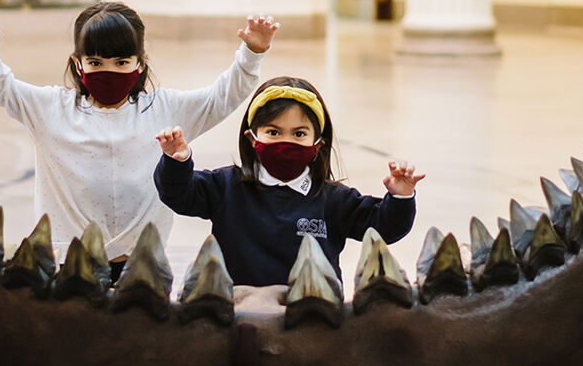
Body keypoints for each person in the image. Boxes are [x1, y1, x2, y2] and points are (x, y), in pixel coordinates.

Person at [0, 0, 278, 280]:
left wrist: (252, 51)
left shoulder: (166, 108)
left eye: (122, 62)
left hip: (142, 265)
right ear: (77, 64)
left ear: (141, 62)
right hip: (69, 262)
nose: (108, 71)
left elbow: (222, 97)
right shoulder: (50, 108)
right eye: (95, 63)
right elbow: (1, 86)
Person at [153, 76, 424, 287]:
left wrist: (401, 197)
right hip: (240, 316)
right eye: (273, 132)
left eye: (299, 133)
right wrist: (177, 162)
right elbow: (179, 195)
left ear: (317, 144)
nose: (286, 142)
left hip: (311, 319)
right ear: (252, 138)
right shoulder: (226, 186)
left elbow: (384, 227)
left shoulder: (334, 200)